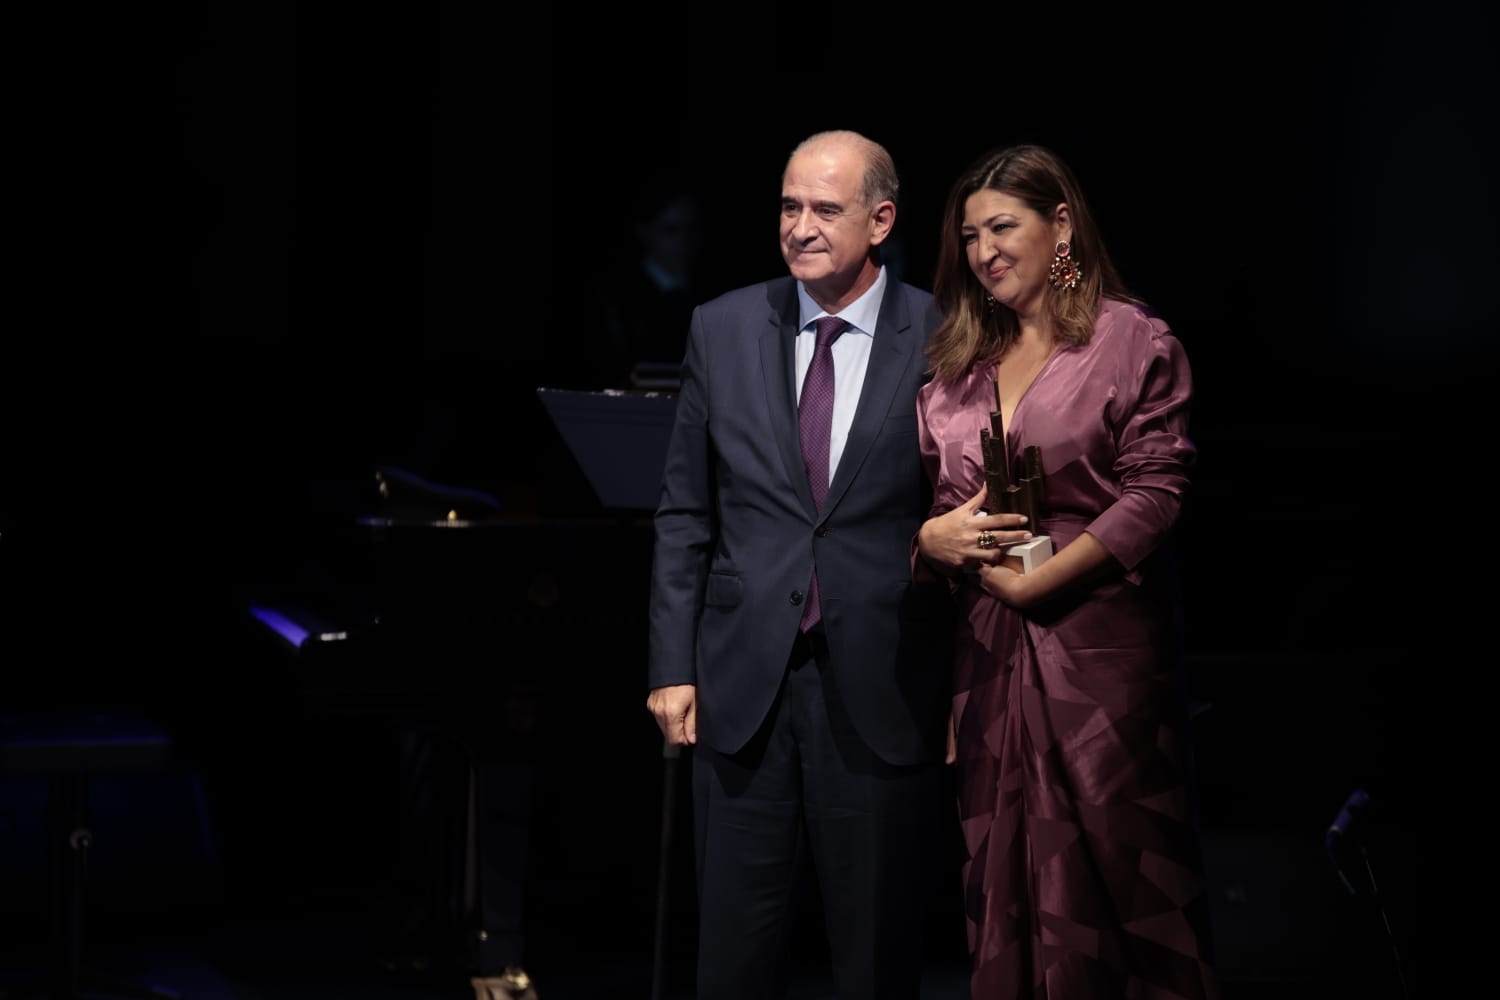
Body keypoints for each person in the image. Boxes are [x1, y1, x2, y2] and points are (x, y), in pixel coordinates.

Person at [646, 130, 1003, 1000]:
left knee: (876, 955)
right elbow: (686, 510)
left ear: (881, 220)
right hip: (740, 684)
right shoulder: (722, 326)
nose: (799, 227)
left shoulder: (946, 335)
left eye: (825, 209)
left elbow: (969, 510)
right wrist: (671, 667)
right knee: (732, 953)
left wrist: (964, 685)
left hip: (884, 682)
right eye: (788, 206)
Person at [913, 143, 1220, 999]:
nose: (983, 251)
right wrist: (929, 545)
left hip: (1100, 661)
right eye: (970, 236)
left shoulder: (1132, 340)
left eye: (1002, 226)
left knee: (1124, 885)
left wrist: (1043, 582)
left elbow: (1156, 494)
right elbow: (941, 509)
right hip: (987, 658)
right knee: (1001, 892)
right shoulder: (954, 370)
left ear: (1062, 225)